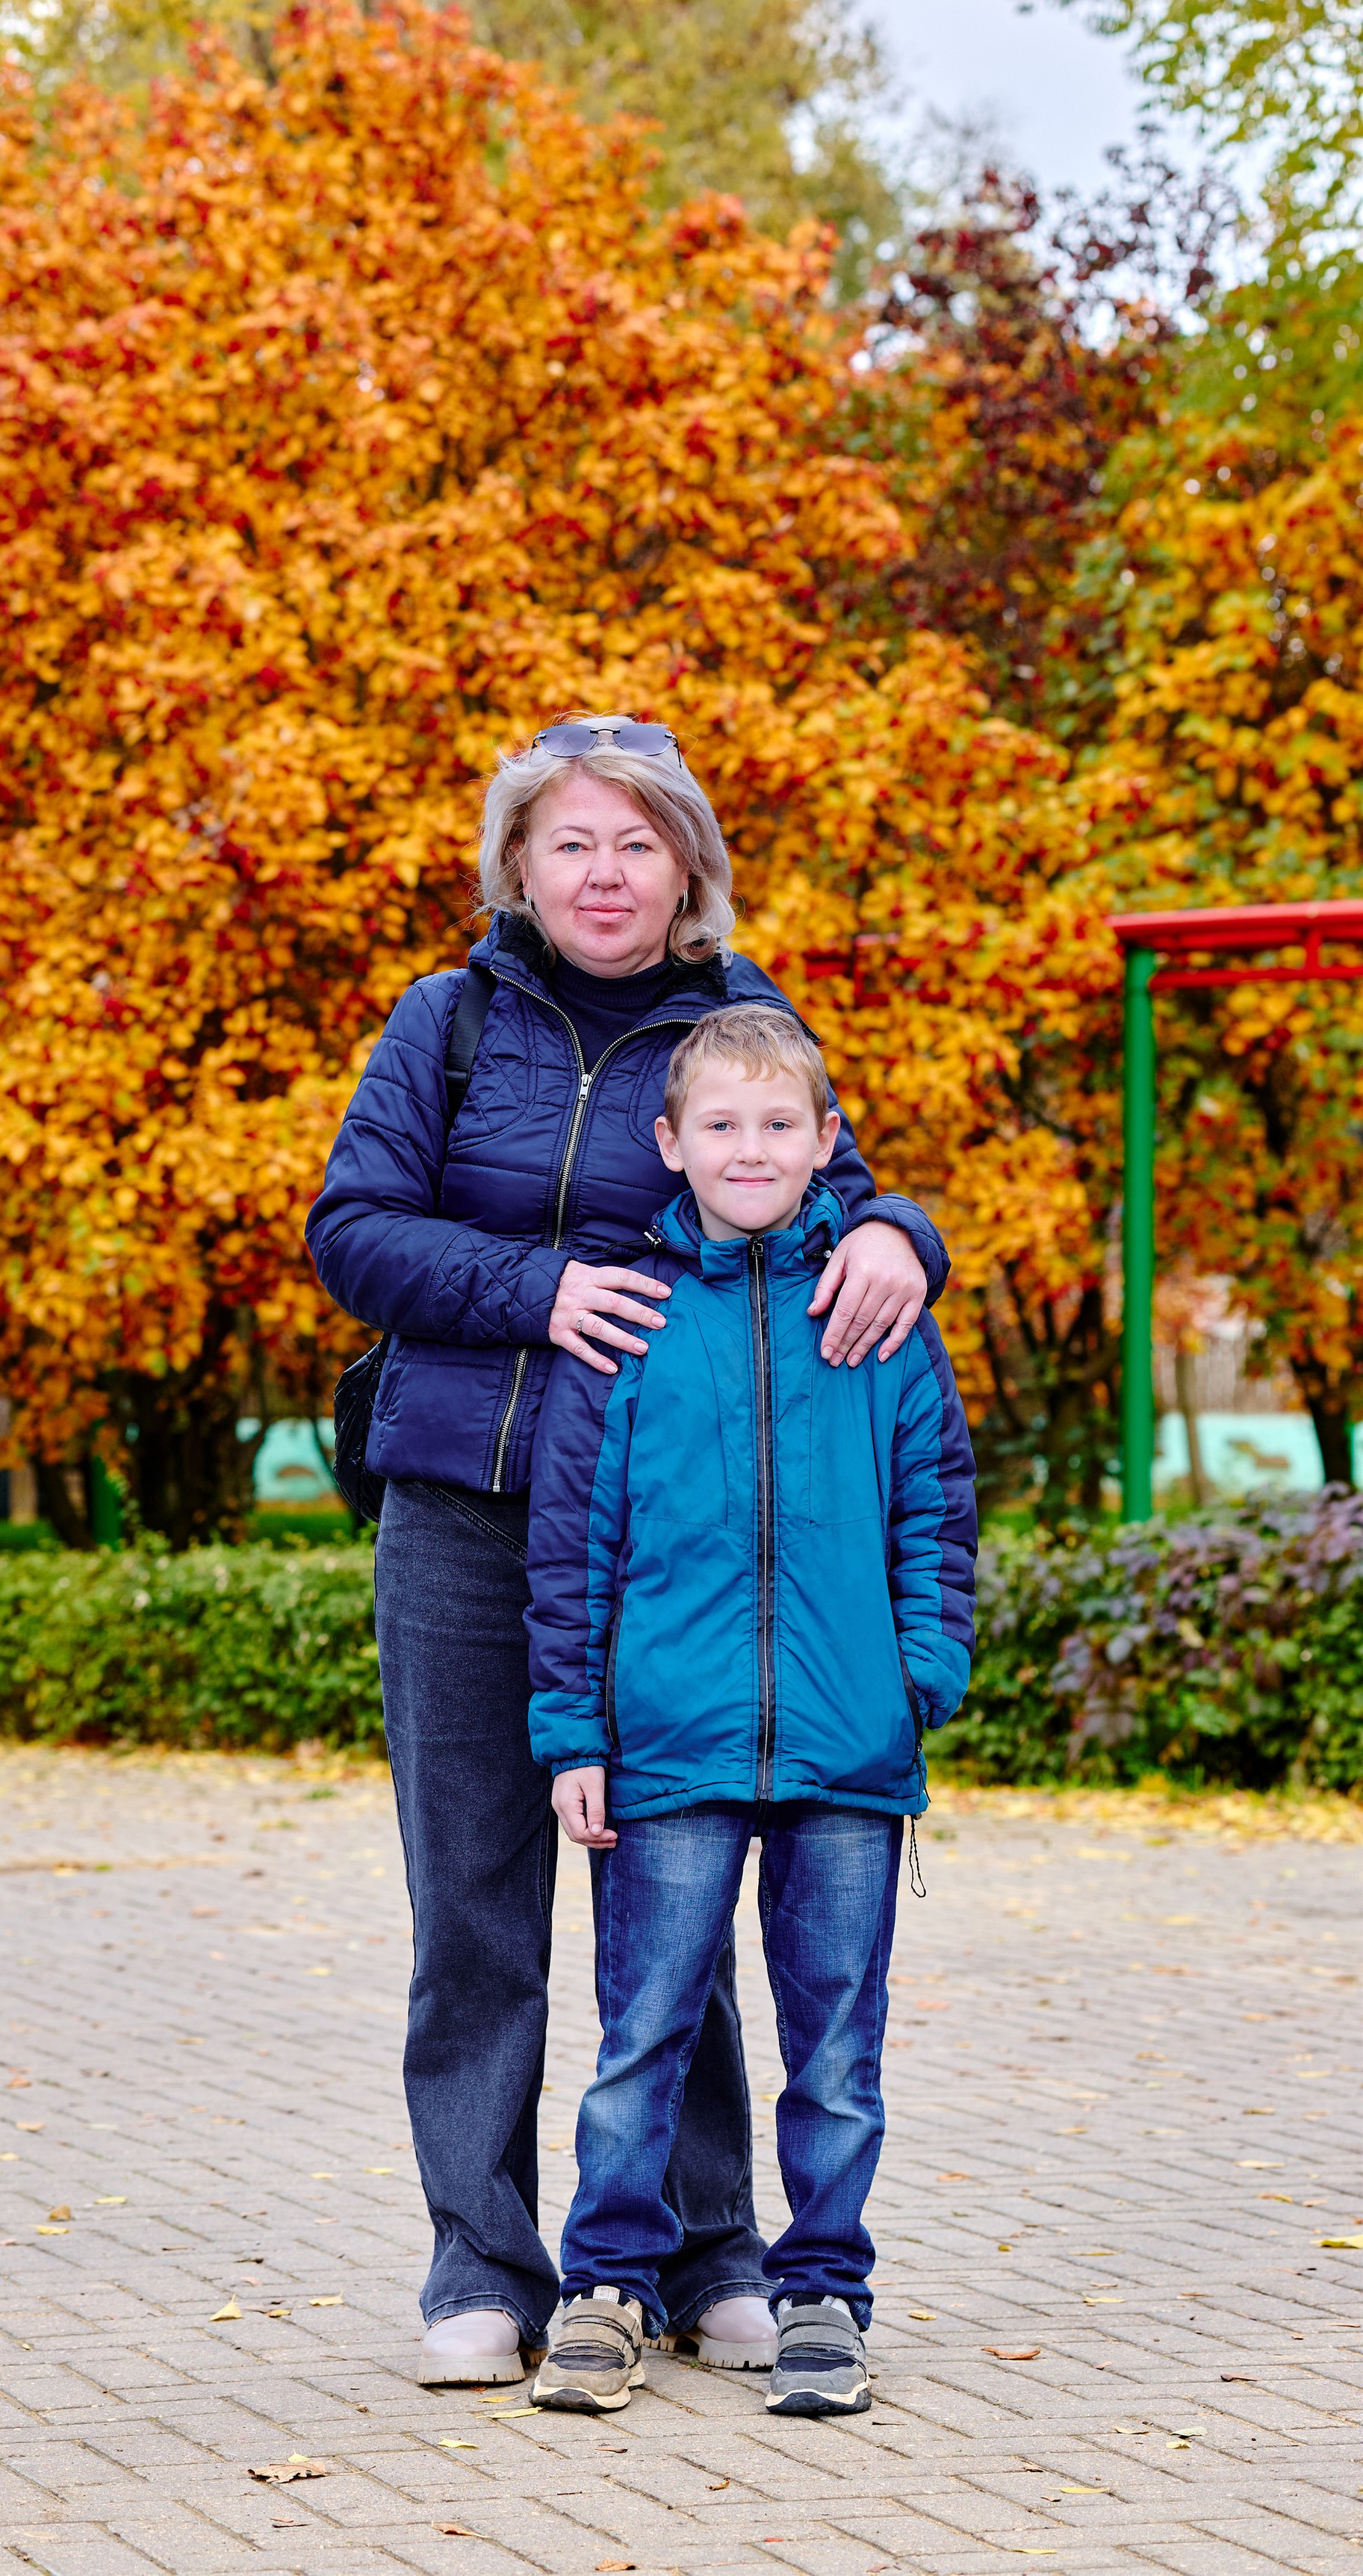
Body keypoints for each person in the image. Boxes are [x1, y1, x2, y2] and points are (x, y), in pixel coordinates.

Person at [305, 716, 953, 2385]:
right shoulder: (443, 1026)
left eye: (637, 844)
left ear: (687, 870)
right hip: (464, 1511)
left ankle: (705, 2252)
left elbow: (840, 1192)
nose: (604, 874)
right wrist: (537, 1293)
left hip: (676, 1537)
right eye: (571, 843)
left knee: (682, 1885)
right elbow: (351, 1233)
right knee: (475, 1910)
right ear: (518, 864)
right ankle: (482, 2270)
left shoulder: (736, 1025)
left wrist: (900, 1234)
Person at [523, 1002, 978, 2419]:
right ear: (669, 1144)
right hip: (666, 1744)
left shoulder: (879, 1310)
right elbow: (571, 1546)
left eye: (782, 1124)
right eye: (720, 1124)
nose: (752, 1147)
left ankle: (826, 2297)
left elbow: (937, 1511)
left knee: (838, 2044)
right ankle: (606, 2288)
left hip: (852, 1748)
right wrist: (573, 1733)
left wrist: (920, 1678)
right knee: (642, 2029)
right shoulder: (631, 1322)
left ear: (828, 1141)